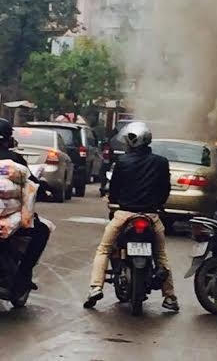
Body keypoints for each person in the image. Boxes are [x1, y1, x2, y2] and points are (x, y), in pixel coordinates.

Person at [83, 122, 179, 312]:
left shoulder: (122, 162)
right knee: (160, 255)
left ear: (133, 141)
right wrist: (158, 205)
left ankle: (96, 288)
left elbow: (114, 189)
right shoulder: (161, 162)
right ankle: (170, 297)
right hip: (151, 215)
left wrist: (114, 200)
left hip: (124, 214)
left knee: (104, 249)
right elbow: (164, 189)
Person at [0, 118, 51, 298]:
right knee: (42, 231)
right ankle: (22, 278)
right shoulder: (15, 160)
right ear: (8, 138)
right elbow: (32, 184)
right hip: (7, 218)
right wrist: (44, 191)